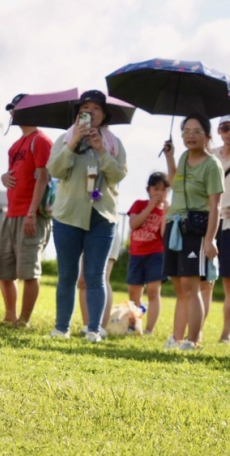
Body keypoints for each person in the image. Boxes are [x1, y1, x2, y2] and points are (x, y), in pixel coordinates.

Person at [46, 90, 127, 342]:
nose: (91, 113)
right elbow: (54, 169)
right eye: (86, 109)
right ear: (78, 113)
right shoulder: (65, 138)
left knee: (95, 275)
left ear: (104, 116)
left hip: (102, 216)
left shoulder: (113, 143)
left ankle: (94, 329)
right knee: (67, 275)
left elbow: (118, 175)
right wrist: (73, 143)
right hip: (68, 215)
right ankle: (62, 328)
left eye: (96, 109)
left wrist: (101, 149)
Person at [162, 113, 224, 351]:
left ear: (207, 136)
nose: (190, 136)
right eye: (186, 131)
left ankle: (192, 340)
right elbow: (174, 183)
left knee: (191, 284)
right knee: (178, 285)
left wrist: (210, 240)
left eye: (196, 131)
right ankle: (176, 338)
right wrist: (170, 158)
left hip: (195, 228)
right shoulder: (185, 157)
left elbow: (215, 205)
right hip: (174, 224)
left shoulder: (212, 164)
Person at [0, 94, 53, 327]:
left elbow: (43, 178)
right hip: (11, 213)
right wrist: (2, 177)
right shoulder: (15, 145)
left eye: (17, 109)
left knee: (29, 270)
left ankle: (23, 320)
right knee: (3, 266)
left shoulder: (40, 141)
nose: (13, 113)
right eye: (12, 109)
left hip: (32, 215)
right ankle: (10, 315)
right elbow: (13, 175)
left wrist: (32, 212)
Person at [124, 172, 169, 335]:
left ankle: (149, 329)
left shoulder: (166, 210)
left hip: (156, 254)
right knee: (134, 292)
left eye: (163, 190)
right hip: (136, 254)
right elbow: (134, 224)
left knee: (153, 291)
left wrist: (166, 212)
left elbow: (164, 235)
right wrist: (150, 206)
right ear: (148, 189)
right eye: (155, 189)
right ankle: (135, 326)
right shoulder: (139, 204)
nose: (159, 193)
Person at [215, 115, 230, 343]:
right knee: (208, 280)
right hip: (210, 221)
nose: (229, 132)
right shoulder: (212, 155)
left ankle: (226, 334)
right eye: (226, 128)